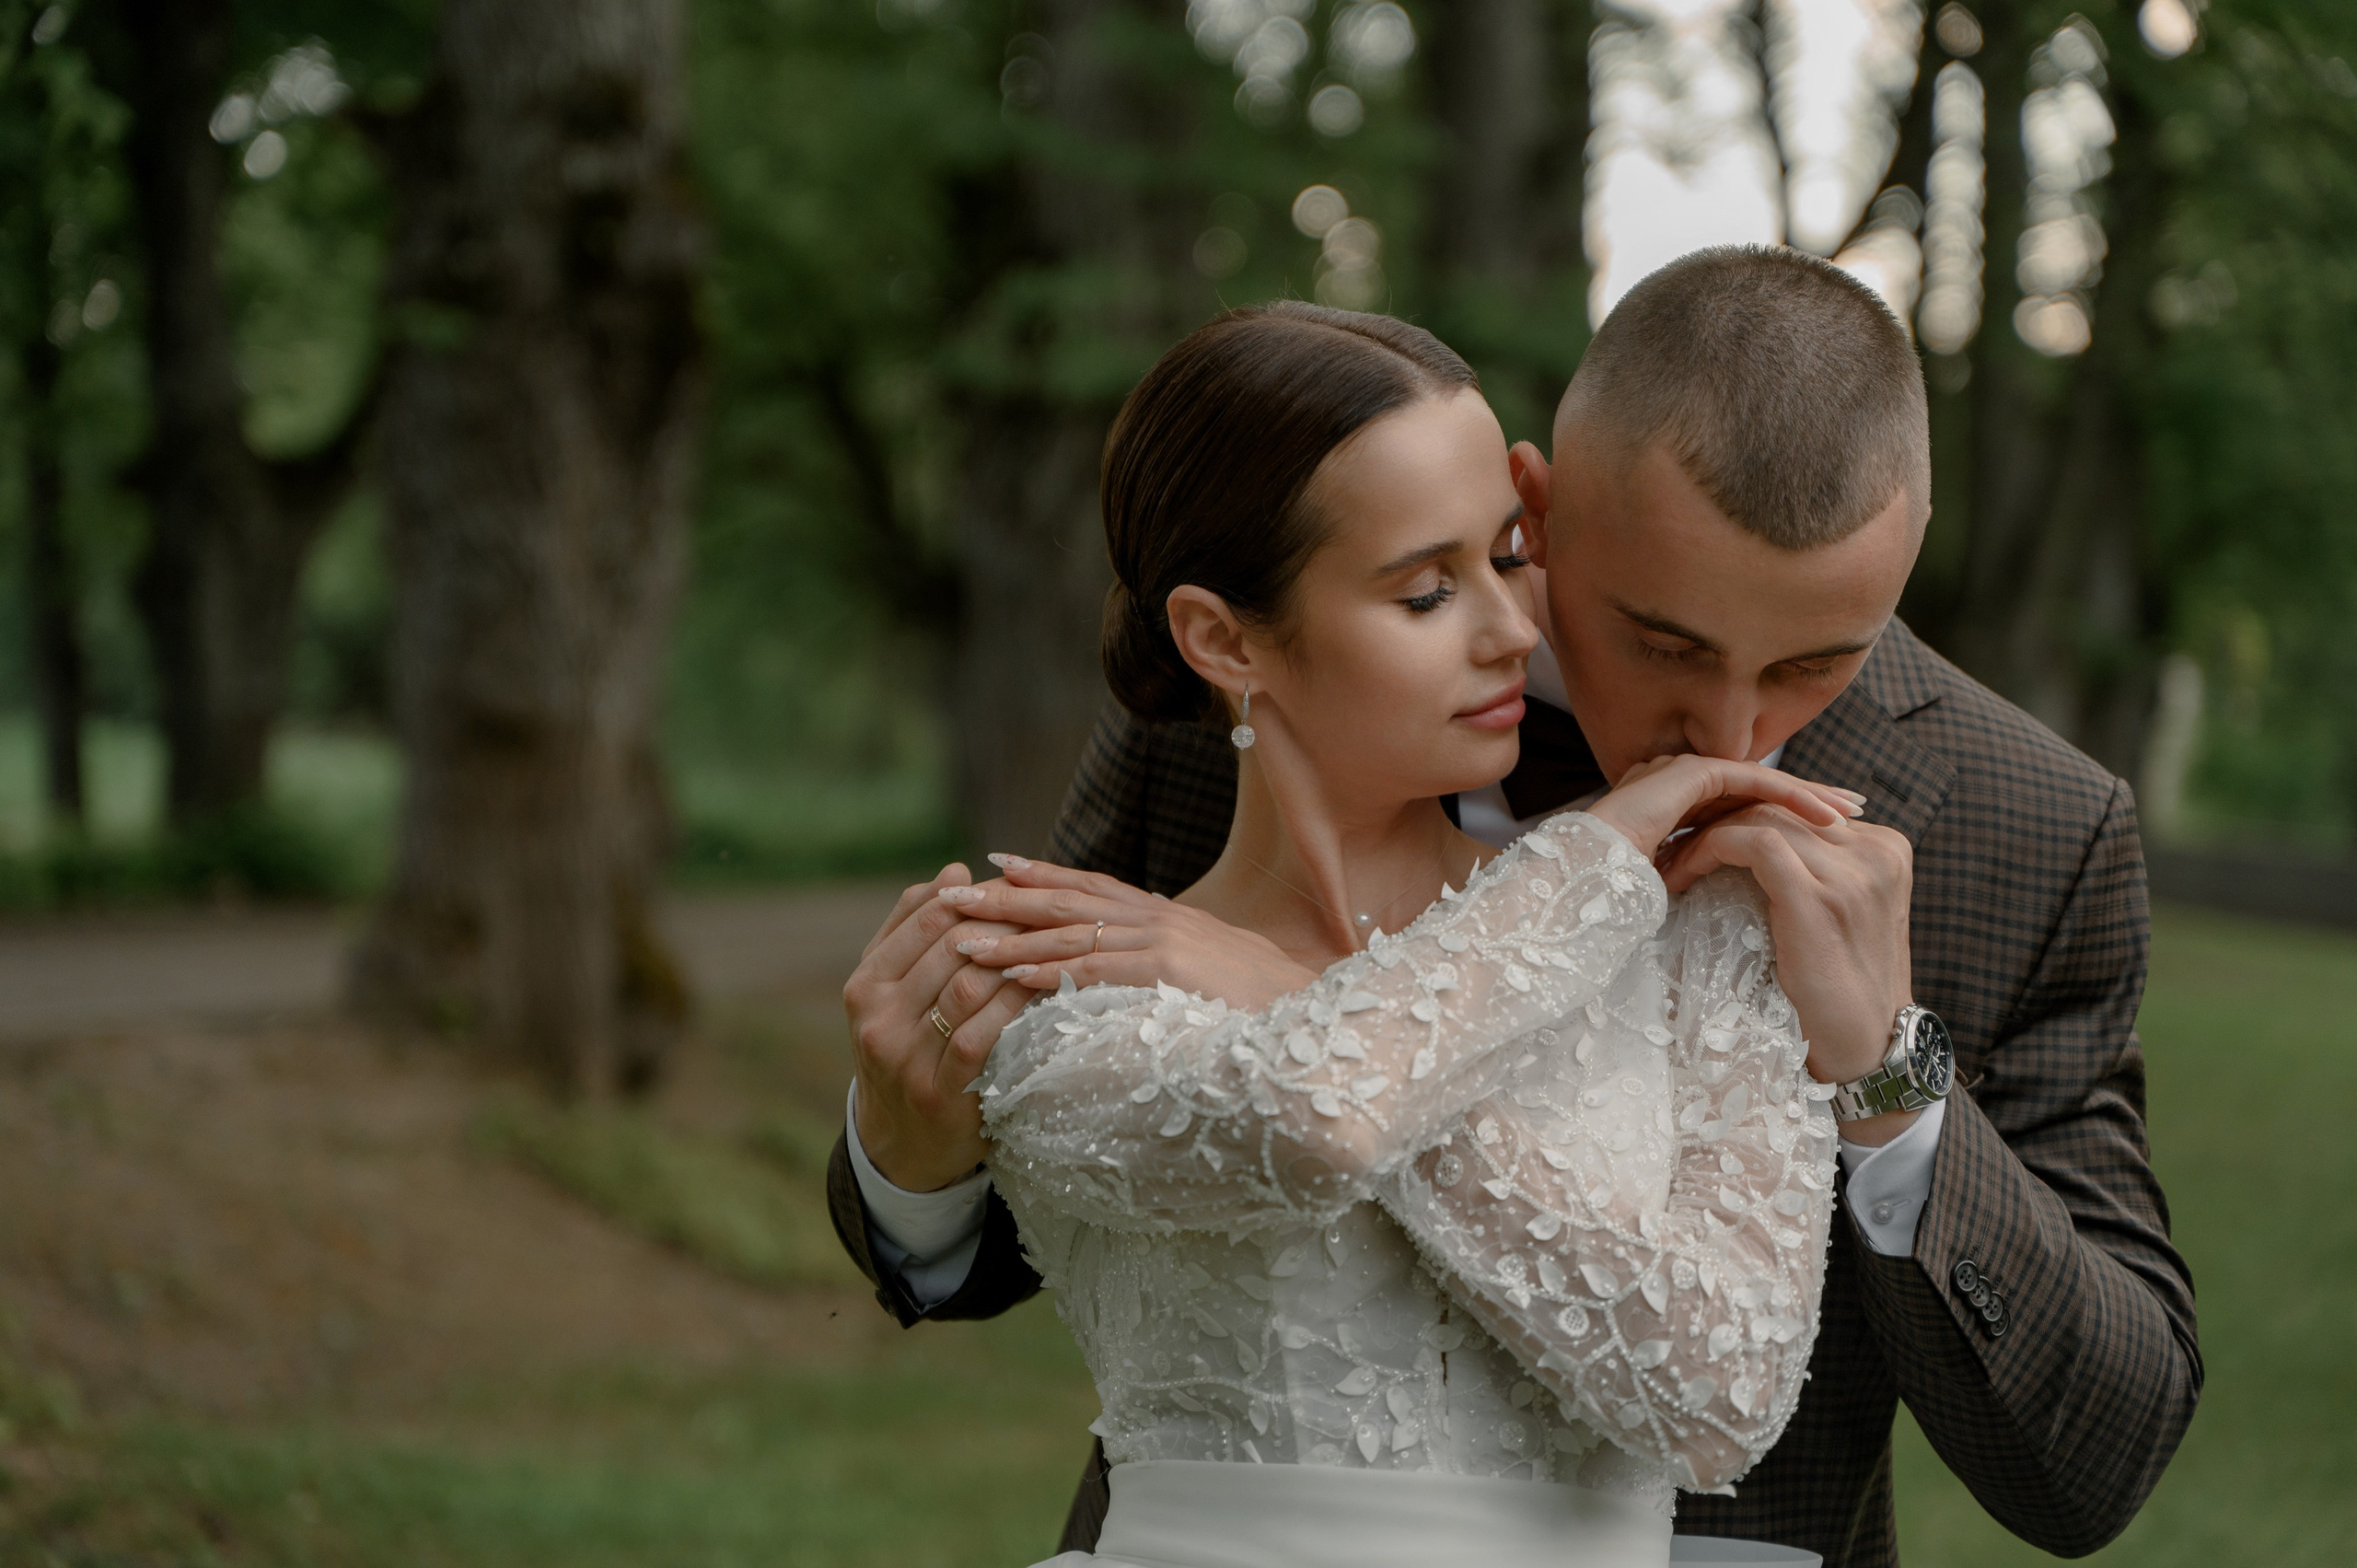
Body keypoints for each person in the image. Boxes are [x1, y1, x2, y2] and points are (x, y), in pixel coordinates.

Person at [830, 250, 2200, 1568]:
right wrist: (912, 1166)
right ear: (1535, 511)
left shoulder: (2033, 825)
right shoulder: (1268, 690)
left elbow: (2092, 1464)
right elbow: (1073, 1165)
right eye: (1660, 641)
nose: (1726, 730)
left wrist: (1891, 1083)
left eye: (1814, 665)